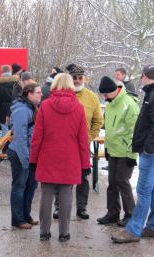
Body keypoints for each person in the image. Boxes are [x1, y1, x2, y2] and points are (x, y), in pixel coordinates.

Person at [112, 65, 154, 243]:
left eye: (142, 76)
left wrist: (148, 148)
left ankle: (134, 229)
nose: (141, 79)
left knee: (143, 189)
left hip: (153, 151)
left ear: (145, 77)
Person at [29, 73, 91, 242]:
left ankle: (44, 232)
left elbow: (37, 137)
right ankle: (64, 233)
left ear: (54, 85)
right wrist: (86, 164)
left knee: (46, 196)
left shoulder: (45, 106)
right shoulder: (78, 108)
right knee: (66, 197)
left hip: (48, 156)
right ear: (71, 86)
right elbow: (83, 140)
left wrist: (33, 159)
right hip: (70, 159)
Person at [53, 64, 103, 220]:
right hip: (62, 143)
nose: (77, 80)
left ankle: (82, 208)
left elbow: (98, 121)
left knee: (83, 175)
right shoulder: (59, 95)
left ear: (84, 79)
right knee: (60, 175)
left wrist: (89, 137)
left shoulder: (92, 97)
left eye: (80, 77)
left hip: (82, 144)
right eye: (74, 78)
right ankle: (59, 207)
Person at [96, 76, 139, 227]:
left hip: (126, 151)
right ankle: (113, 213)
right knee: (112, 183)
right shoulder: (110, 104)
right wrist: (107, 148)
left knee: (122, 181)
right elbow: (110, 129)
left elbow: (134, 131)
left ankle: (130, 214)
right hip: (113, 149)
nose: (104, 97)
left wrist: (132, 154)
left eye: (105, 94)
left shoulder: (129, 104)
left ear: (113, 90)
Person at [8, 82, 42, 229]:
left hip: (30, 153)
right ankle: (18, 219)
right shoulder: (22, 110)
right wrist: (25, 159)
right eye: (38, 92)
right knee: (19, 186)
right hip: (20, 153)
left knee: (31, 186)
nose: (41, 95)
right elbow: (20, 137)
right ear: (29, 94)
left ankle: (26, 215)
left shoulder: (30, 107)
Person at [0, 65, 19, 136]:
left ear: (1, 72)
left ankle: (5, 146)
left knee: (5, 132)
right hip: (15, 108)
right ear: (10, 71)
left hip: (3, 110)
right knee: (15, 131)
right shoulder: (16, 82)